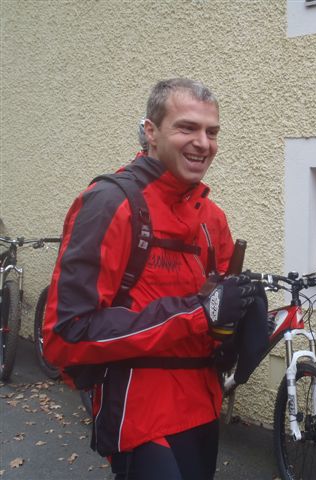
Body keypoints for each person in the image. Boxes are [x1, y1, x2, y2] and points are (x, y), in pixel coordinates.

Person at [43, 78, 267, 480]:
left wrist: (239, 319)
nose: (203, 143)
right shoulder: (110, 203)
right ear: (151, 131)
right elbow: (67, 334)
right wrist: (198, 314)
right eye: (187, 128)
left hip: (202, 405)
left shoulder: (211, 217)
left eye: (212, 132)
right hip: (140, 413)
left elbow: (214, 311)